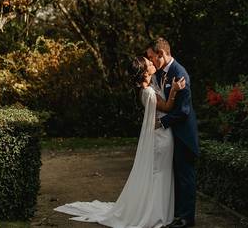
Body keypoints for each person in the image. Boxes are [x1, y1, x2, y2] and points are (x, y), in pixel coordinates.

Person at [55, 56, 185, 228]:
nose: (153, 63)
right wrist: (175, 90)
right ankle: (156, 213)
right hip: (160, 137)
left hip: (161, 135)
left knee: (160, 173)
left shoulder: (147, 88)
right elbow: (167, 107)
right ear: (145, 72)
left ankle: (159, 211)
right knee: (159, 173)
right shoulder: (148, 92)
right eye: (149, 63)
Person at [148, 38, 199, 228]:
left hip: (184, 136)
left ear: (161, 54)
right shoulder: (162, 72)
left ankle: (187, 219)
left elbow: (184, 111)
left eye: (152, 57)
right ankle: (177, 214)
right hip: (172, 136)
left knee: (186, 178)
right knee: (176, 177)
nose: (151, 61)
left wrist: (161, 122)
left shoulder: (179, 73)